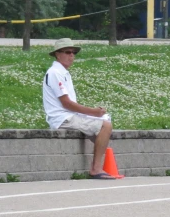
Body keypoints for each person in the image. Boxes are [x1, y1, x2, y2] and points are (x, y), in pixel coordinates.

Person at [42, 38, 115, 179]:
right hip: (63, 118)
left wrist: (96, 114)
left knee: (106, 119)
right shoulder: (55, 73)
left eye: (74, 52)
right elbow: (66, 104)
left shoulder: (62, 72)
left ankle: (102, 163)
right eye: (68, 52)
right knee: (105, 126)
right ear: (57, 54)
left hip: (68, 116)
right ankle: (96, 169)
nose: (72, 56)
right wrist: (93, 112)